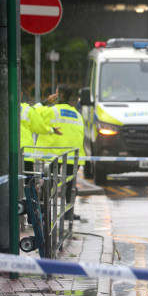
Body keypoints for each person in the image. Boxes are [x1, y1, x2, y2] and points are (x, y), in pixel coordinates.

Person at [35, 85, 85, 220]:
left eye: (55, 93)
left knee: (48, 182)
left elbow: (33, 112)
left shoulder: (51, 111)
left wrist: (46, 101)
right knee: (70, 185)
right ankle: (68, 213)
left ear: (60, 95)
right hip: (72, 155)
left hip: (52, 153)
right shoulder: (77, 114)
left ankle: (42, 212)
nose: (53, 94)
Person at [0, 90, 62, 171]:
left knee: (3, 181)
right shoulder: (27, 110)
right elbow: (40, 126)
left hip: (2, 152)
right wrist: (52, 130)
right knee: (27, 180)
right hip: (24, 153)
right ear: (21, 94)